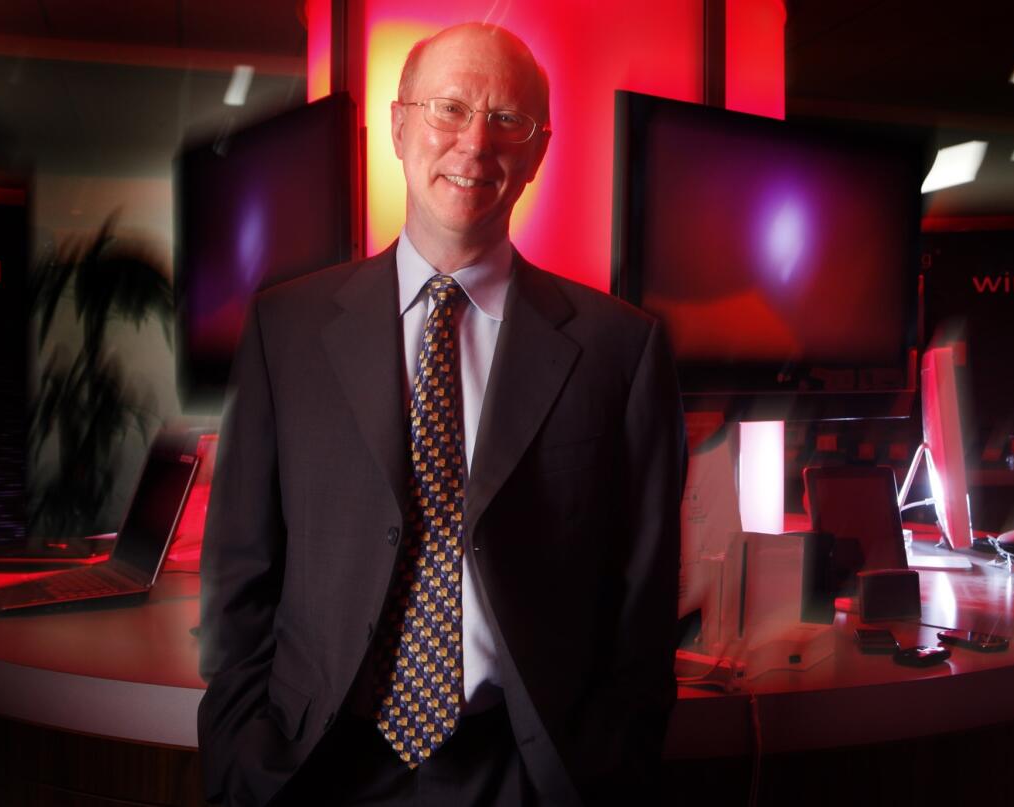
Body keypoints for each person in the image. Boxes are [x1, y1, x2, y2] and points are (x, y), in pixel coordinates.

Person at [197, 22, 686, 807]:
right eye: (450, 108)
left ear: (538, 151)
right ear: (399, 125)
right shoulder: (284, 330)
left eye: (507, 120)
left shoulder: (620, 350)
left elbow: (642, 602)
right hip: (316, 766)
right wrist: (240, 755)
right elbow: (239, 577)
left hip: (530, 771)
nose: (475, 143)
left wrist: (610, 767)